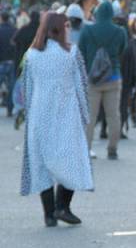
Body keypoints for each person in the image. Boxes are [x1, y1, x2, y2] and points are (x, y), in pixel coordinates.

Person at [19, 12, 93, 226]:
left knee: (42, 164)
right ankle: (63, 206)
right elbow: (81, 86)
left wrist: (28, 114)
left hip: (39, 114)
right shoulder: (71, 53)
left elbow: (28, 88)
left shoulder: (31, 55)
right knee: (71, 159)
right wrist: (85, 115)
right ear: (62, 28)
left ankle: (49, 214)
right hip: (66, 113)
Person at [79, 1, 128, 160]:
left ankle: (86, 148)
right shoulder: (120, 31)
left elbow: (81, 51)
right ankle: (112, 149)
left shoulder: (87, 30)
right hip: (113, 76)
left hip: (92, 78)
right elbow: (123, 50)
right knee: (113, 115)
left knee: (90, 116)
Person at [0, 12, 16, 116]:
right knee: (11, 87)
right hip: (12, 61)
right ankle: (9, 109)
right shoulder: (14, 30)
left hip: (1, 61)